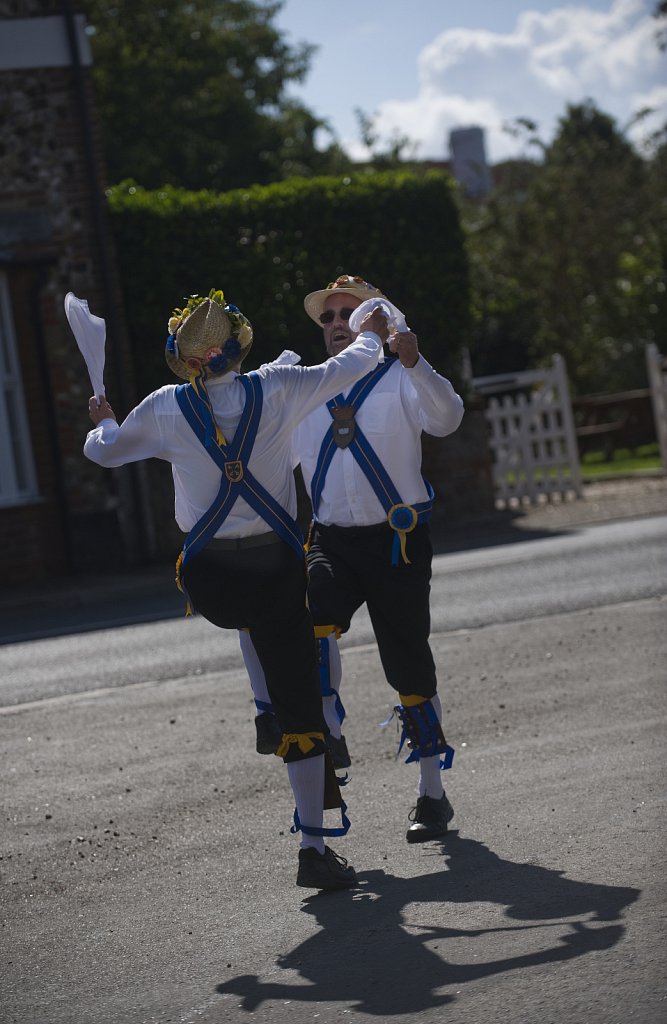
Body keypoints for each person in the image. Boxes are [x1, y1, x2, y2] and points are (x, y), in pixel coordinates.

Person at [81, 286, 390, 890]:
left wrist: (104, 420)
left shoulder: (166, 407)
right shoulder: (279, 389)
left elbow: (106, 452)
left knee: (254, 620)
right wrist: (373, 327)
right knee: (298, 679)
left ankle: (263, 707)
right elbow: (356, 362)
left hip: (210, 581)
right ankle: (312, 845)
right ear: (238, 349)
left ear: (186, 361)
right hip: (274, 571)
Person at [240, 274, 465, 842]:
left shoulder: (402, 378)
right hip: (332, 541)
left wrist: (415, 361)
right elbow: (262, 453)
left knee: (409, 663)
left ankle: (432, 795)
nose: (338, 323)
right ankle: (329, 728)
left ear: (376, 319)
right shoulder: (305, 391)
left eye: (349, 313)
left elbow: (448, 418)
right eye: (328, 317)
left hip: (398, 543)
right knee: (307, 617)